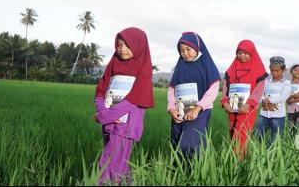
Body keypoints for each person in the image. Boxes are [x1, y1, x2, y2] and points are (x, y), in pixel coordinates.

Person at [94, 27, 154, 185]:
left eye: (127, 45)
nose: (121, 49)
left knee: (108, 163)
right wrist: (101, 110)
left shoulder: (143, 68)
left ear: (138, 46)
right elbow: (101, 90)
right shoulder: (114, 62)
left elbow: (136, 98)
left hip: (125, 124)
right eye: (119, 45)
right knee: (120, 164)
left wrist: (106, 115)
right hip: (108, 120)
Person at [167, 32, 221, 159]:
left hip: (200, 111)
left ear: (197, 47)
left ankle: (195, 171)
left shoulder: (207, 65)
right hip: (179, 111)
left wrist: (197, 108)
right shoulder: (180, 66)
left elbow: (213, 89)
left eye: (188, 49)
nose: (185, 53)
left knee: (189, 142)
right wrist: (171, 108)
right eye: (181, 50)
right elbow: (171, 89)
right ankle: (178, 173)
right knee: (176, 142)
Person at [221, 40, 268, 158]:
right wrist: (225, 102)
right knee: (232, 133)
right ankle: (242, 160)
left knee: (241, 135)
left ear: (252, 53)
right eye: (239, 53)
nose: (242, 56)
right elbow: (226, 86)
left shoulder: (259, 69)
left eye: (246, 53)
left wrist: (249, 105)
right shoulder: (232, 68)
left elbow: (259, 89)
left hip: (247, 109)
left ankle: (236, 164)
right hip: (232, 108)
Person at [256, 56, 291, 145]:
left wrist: (268, 100)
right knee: (258, 135)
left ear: (283, 70)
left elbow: (282, 97)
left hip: (278, 116)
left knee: (275, 139)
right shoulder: (266, 82)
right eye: (272, 70)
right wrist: (264, 100)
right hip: (263, 115)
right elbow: (260, 95)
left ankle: (271, 155)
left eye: (277, 71)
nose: (274, 73)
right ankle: (261, 151)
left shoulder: (286, 84)